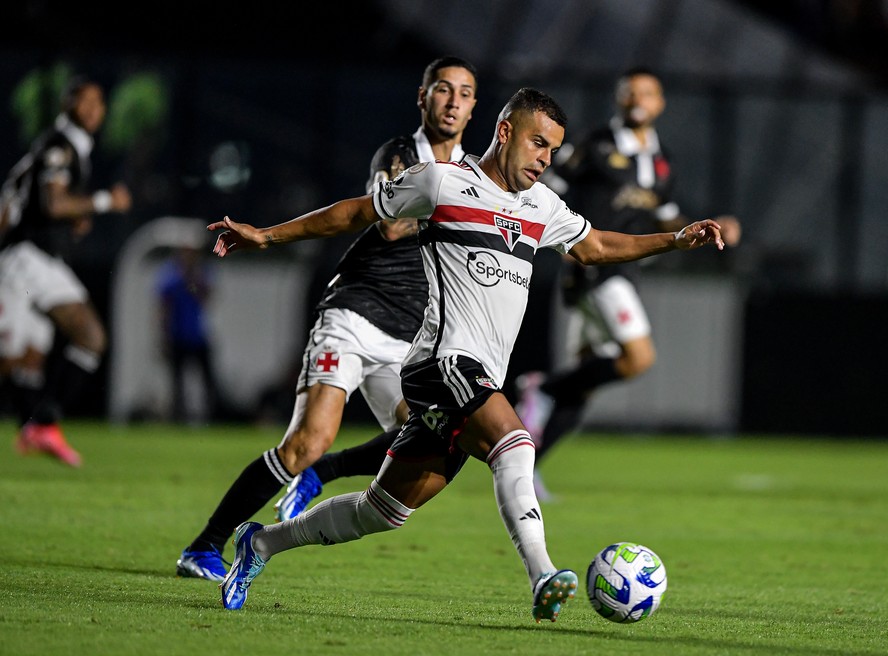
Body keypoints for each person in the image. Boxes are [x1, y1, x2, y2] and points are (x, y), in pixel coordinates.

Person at [208, 87, 725, 621]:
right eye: (537, 144)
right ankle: (543, 575)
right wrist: (266, 237)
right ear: (505, 133)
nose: (545, 159)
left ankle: (261, 543)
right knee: (516, 441)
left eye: (552, 150)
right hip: (442, 362)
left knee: (380, 512)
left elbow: (595, 247)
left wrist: (675, 240)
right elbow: (355, 213)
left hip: (478, 374)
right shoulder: (443, 182)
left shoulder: (541, 205)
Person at [175, 56, 478, 581]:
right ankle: (204, 547)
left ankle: (325, 472)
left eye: (464, 93)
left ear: (475, 107)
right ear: (422, 97)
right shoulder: (402, 156)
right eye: (443, 90)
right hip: (355, 312)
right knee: (305, 441)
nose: (452, 101)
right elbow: (385, 226)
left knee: (430, 433)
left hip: (408, 333)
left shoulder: (475, 174)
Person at [514, 66, 742, 500]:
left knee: (584, 383)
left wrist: (703, 228)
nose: (638, 98)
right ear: (619, 99)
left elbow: (665, 216)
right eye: (630, 91)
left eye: (647, 92)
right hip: (596, 269)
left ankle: (529, 468)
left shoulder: (660, 160)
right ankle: (541, 388)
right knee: (638, 357)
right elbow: (546, 188)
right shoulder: (594, 144)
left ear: (660, 103)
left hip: (626, 272)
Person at [0, 75, 131, 466]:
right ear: (67, 104)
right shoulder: (60, 146)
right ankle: (42, 423)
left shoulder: (68, 147)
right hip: (27, 259)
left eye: (99, 103)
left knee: (28, 359)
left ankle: (36, 427)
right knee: (89, 335)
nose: (94, 110)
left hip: (31, 256)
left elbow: (34, 200)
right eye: (85, 102)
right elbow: (54, 205)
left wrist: (73, 216)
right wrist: (104, 201)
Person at [156, 243, 225, 424]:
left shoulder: (201, 274)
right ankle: (178, 417)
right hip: (177, 336)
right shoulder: (170, 275)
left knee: (207, 380)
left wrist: (193, 279)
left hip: (197, 336)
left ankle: (213, 416)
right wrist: (163, 337)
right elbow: (163, 308)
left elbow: (207, 297)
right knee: (178, 382)